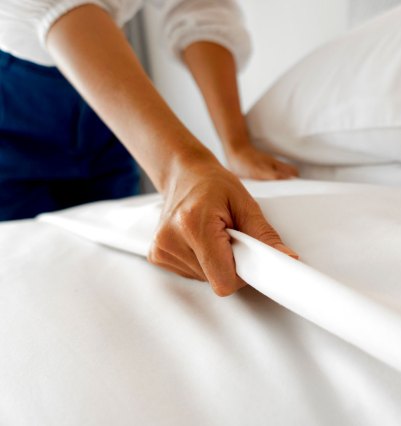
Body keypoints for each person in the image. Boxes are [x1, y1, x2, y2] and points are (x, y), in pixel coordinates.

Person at [0, 0, 299, 296]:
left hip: (105, 111)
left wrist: (236, 145)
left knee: (110, 269)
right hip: (13, 108)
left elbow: (198, 7)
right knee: (26, 273)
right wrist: (182, 168)